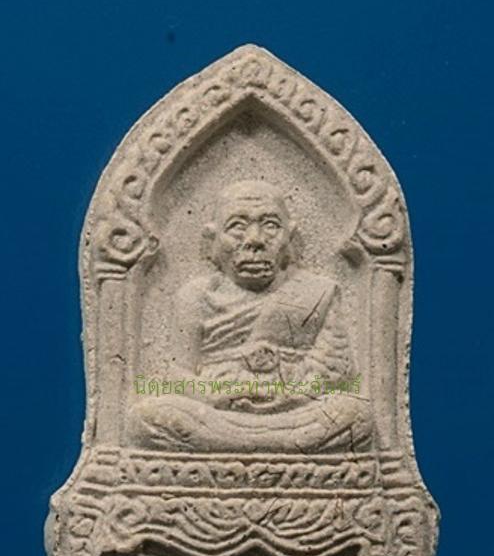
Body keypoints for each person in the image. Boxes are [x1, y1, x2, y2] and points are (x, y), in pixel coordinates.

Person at [129, 180, 371, 453]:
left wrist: (286, 393)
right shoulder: (195, 296)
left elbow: (338, 373)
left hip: (295, 411)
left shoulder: (318, 292)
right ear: (213, 239)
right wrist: (217, 394)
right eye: (237, 226)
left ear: (290, 237)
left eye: (270, 225)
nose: (255, 240)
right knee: (146, 417)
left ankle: (237, 450)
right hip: (218, 412)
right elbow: (177, 374)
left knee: (356, 414)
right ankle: (278, 450)